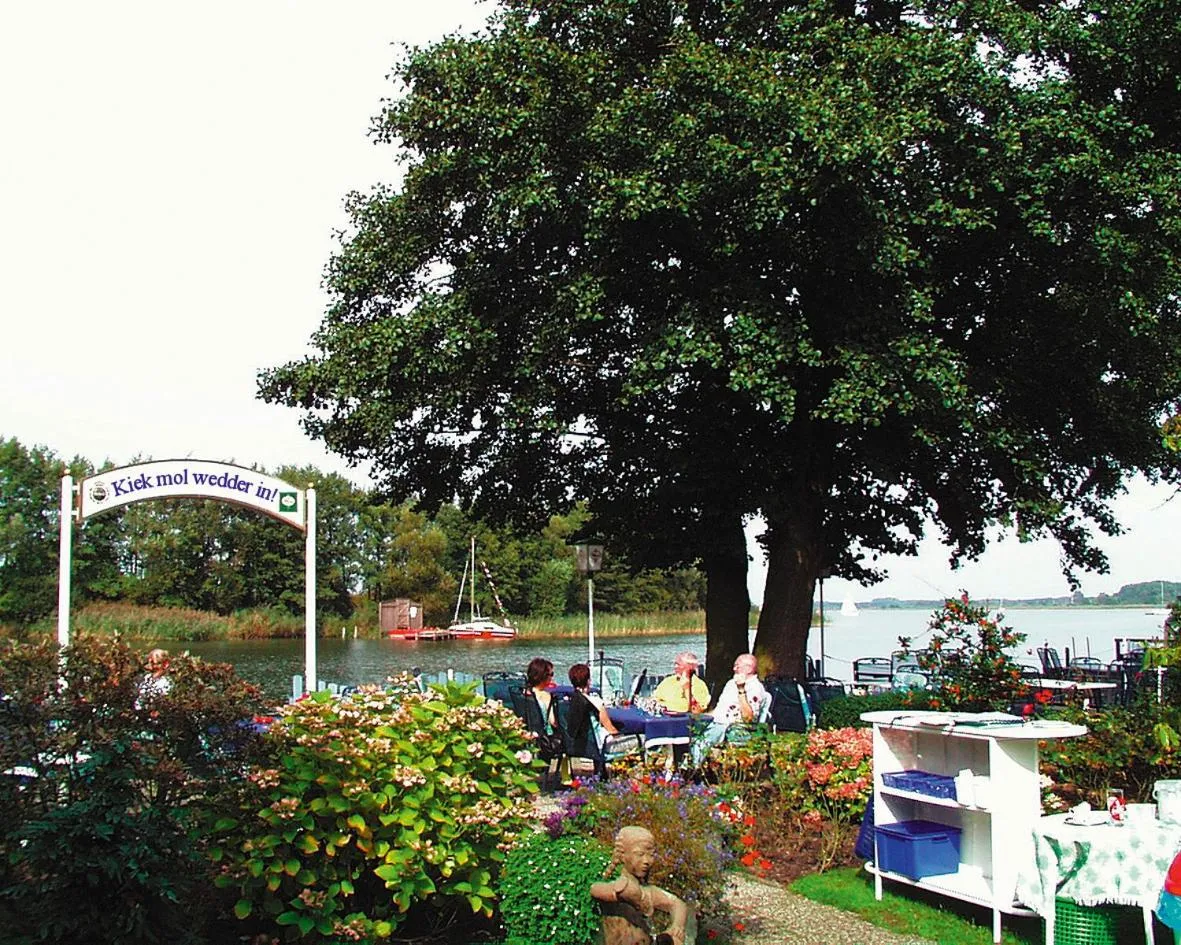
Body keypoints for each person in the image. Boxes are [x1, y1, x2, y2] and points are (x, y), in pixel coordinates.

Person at [590, 825, 695, 945]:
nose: (646, 861)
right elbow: (596, 889)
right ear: (623, 855)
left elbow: (678, 904)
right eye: (640, 854)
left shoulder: (648, 891)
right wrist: (623, 892)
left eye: (650, 855)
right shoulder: (614, 885)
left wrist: (677, 926)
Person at [689, 654, 768, 766]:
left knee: (703, 741)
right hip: (716, 721)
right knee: (686, 728)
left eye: (737, 666)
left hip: (733, 726)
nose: (734, 668)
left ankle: (693, 770)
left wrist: (741, 690)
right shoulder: (731, 684)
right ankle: (675, 766)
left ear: (749, 669)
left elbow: (748, 718)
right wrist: (700, 715)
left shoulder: (755, 687)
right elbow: (719, 711)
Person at [567, 662, 621, 773]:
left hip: (578, 743)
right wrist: (622, 735)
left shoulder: (569, 701)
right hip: (598, 745)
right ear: (588, 681)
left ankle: (601, 773)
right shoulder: (595, 702)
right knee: (640, 738)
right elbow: (610, 728)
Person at [525, 656, 562, 790]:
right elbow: (554, 722)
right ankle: (567, 776)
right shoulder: (546, 696)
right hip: (547, 739)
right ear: (543, 676)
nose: (552, 678)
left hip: (530, 734)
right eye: (551, 674)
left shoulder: (524, 694)